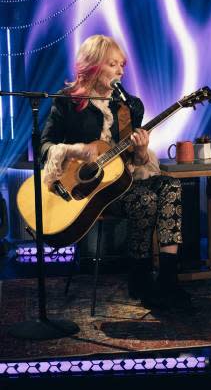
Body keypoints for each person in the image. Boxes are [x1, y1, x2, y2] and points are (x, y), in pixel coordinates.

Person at [40, 34, 189, 309]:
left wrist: (142, 151)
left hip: (122, 183)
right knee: (146, 200)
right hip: (86, 193)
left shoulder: (130, 106)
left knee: (171, 186)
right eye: (113, 64)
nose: (121, 71)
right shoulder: (66, 102)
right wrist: (76, 151)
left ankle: (169, 280)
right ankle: (140, 279)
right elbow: (45, 146)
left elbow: (135, 157)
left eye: (122, 65)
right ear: (93, 65)